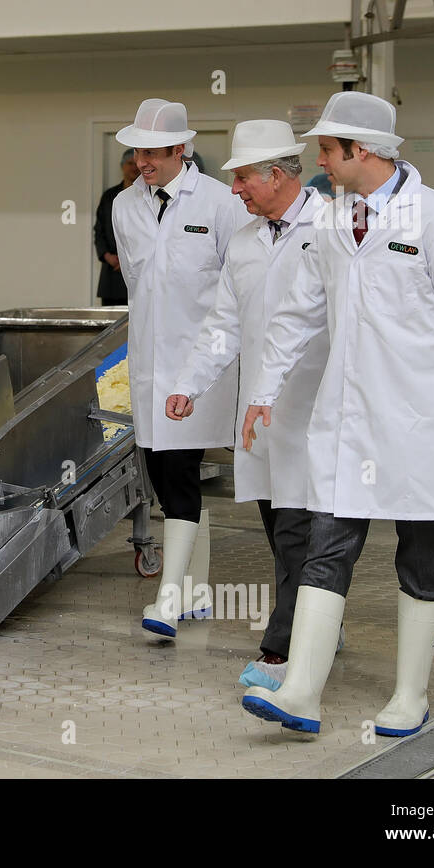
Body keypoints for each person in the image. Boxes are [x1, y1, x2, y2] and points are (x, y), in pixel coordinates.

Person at [239, 92, 434, 735]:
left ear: (361, 151)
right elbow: (298, 312)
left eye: (327, 151)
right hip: (346, 418)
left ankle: (410, 695)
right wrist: (263, 391)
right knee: (329, 542)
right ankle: (301, 690)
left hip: (421, 422)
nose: (320, 163)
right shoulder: (330, 222)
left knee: (420, 551)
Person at [166, 120, 330, 689]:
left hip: (315, 409)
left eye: (242, 179)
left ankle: (283, 651)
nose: (234, 189)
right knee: (280, 527)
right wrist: (190, 382)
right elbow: (223, 325)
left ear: (277, 175)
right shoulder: (244, 241)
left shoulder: (330, 227)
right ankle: (316, 625)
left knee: (299, 532)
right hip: (259, 418)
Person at [110, 98, 250, 639]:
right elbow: (138, 286)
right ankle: (195, 590)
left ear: (180, 150)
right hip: (148, 362)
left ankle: (167, 601)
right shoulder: (125, 207)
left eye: (153, 152)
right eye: (137, 152)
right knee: (168, 477)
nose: (142, 162)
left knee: (179, 470)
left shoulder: (219, 203)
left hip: (201, 363)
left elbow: (237, 286)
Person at [93, 149, 137, 306]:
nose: (134, 167)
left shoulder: (149, 195)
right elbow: (99, 230)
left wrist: (130, 260)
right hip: (112, 273)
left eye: (136, 163)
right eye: (129, 163)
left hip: (138, 271)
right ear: (122, 166)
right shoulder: (109, 196)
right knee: (110, 325)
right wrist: (108, 256)